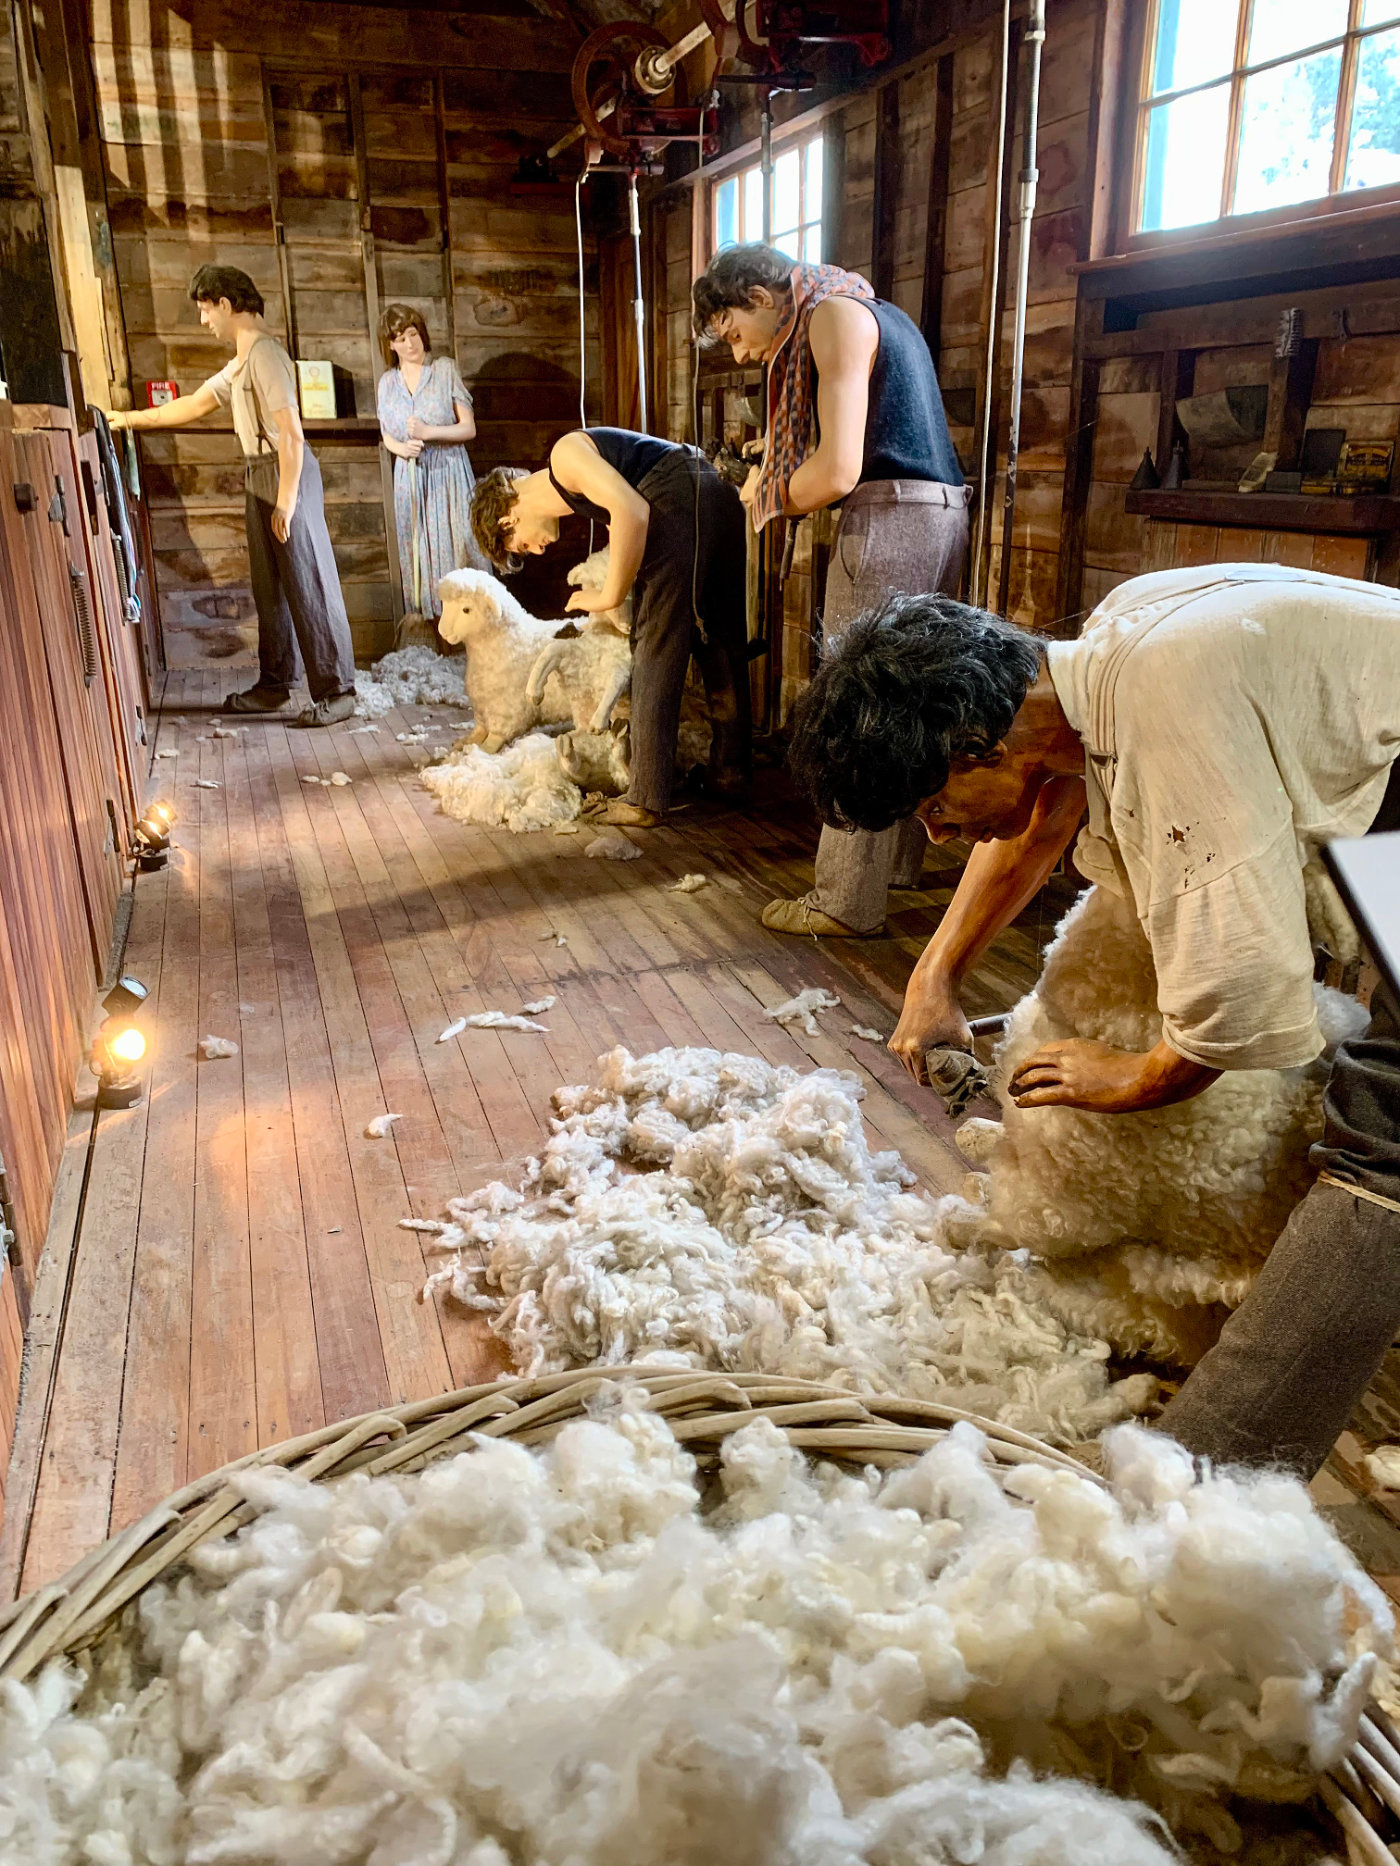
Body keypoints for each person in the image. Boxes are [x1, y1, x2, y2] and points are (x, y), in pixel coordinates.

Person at [786, 565, 1400, 1478]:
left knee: (1382, 1126)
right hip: (1388, 815)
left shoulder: (1173, 704)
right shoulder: (1100, 668)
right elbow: (1046, 816)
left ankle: (1214, 1475)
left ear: (976, 746)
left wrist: (1139, 1076)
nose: (941, 835)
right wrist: (936, 975)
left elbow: (1241, 981)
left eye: (932, 808)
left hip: (1392, 826)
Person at [692, 242, 968, 937]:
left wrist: (767, 492)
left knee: (859, 708)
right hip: (940, 513)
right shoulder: (875, 310)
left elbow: (839, 471)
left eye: (734, 332)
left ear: (760, 298)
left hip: (889, 519)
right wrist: (777, 463)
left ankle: (845, 899)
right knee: (910, 704)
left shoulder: (831, 317)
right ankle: (895, 866)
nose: (741, 353)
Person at [110, 265, 357, 724]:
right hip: (260, 473)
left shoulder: (265, 355)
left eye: (206, 310)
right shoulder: (241, 362)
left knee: (310, 582)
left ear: (225, 304)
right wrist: (128, 419)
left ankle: (338, 690)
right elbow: (193, 404)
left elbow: (291, 434)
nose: (204, 320)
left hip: (285, 471)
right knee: (271, 588)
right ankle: (275, 684)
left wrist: (286, 499)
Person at [470, 427, 751, 827]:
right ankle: (730, 772)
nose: (537, 550)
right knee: (721, 638)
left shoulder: (564, 456)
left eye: (522, 545)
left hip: (677, 497)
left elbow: (632, 511)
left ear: (507, 518)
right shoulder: (577, 480)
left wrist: (608, 596)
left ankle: (645, 799)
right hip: (716, 489)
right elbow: (624, 513)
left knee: (655, 646)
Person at [375, 304, 486, 618]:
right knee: (419, 554)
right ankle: (429, 630)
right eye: (400, 339)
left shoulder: (444, 370)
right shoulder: (388, 383)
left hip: (449, 473)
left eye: (413, 334)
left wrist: (429, 432)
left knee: (460, 549)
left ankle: (470, 627)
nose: (410, 343)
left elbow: (468, 428)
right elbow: (386, 434)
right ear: (390, 345)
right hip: (410, 478)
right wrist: (401, 448)